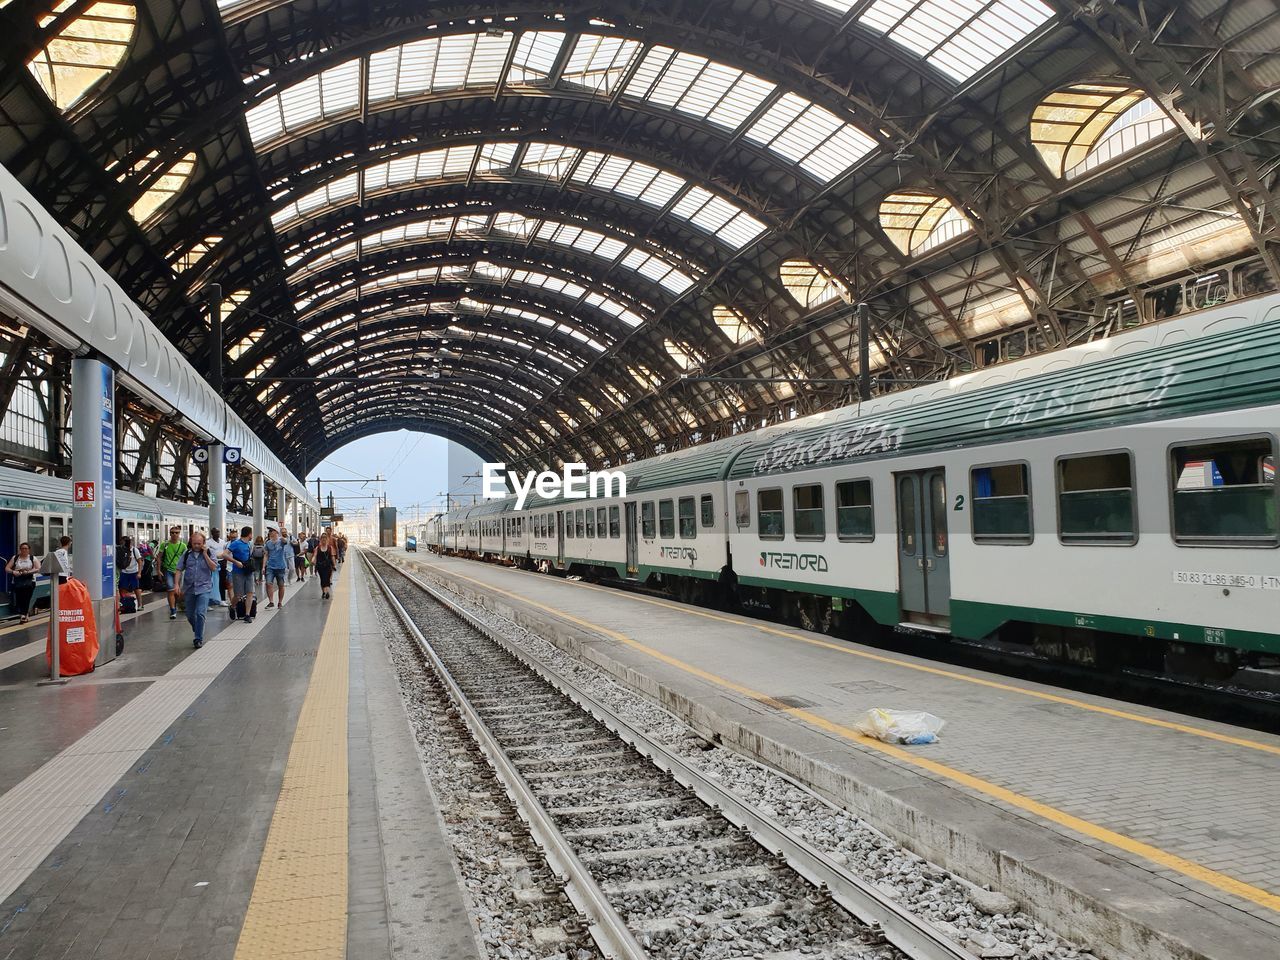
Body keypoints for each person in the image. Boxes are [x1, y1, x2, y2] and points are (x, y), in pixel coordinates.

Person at [174, 530, 218, 648]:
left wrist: (205, 554)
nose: (197, 546)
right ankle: (197, 627)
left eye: (199, 544)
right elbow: (179, 569)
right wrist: (176, 585)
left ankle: (198, 638)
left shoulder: (210, 552)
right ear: (191, 543)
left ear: (203, 543)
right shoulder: (187, 554)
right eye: (194, 544)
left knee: (200, 613)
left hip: (204, 587)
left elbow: (214, 568)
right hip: (189, 588)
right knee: (189, 615)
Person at [224, 526, 256, 623]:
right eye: (251, 533)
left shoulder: (249, 544)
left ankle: (247, 614)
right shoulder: (236, 543)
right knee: (238, 594)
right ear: (249, 534)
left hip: (248, 571)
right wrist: (235, 562)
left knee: (250, 592)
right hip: (238, 572)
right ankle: (232, 606)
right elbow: (225, 554)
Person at [158, 527, 187, 620]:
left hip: (179, 571)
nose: (174, 534)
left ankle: (178, 604)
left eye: (177, 533)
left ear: (179, 534)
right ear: (170, 534)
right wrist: (158, 570)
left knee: (177, 591)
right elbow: (159, 557)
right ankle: (173, 610)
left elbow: (186, 559)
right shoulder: (164, 545)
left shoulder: (183, 546)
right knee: (170, 590)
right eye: (172, 533)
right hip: (168, 570)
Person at [6, 542, 38, 623]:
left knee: (27, 598)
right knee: (19, 598)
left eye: (26, 548)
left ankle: (23, 615)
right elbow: (7, 568)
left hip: (30, 581)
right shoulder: (15, 558)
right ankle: (24, 615)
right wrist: (13, 572)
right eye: (22, 548)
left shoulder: (32, 558)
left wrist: (28, 572)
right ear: (20, 549)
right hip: (18, 581)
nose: (24, 550)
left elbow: (38, 568)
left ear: (29, 550)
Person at [263, 528, 293, 607]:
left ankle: (280, 602)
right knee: (268, 583)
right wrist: (263, 567)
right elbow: (266, 555)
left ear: (276, 532)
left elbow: (285, 541)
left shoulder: (281, 541)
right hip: (270, 566)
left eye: (272, 531)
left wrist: (280, 535)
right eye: (269, 532)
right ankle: (271, 601)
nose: (270, 533)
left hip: (280, 566)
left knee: (281, 585)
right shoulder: (268, 543)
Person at [116, 535, 143, 612]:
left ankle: (140, 604)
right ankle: (123, 604)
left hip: (134, 572)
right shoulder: (121, 551)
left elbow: (139, 561)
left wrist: (139, 573)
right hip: (124, 572)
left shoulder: (135, 550)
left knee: (136, 588)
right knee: (122, 588)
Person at [309, 531, 337, 601]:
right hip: (320, 566)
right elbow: (315, 555)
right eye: (322, 539)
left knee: (327, 579)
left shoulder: (330, 548)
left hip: (328, 566)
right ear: (321, 540)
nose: (324, 541)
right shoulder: (317, 548)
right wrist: (312, 560)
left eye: (325, 539)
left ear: (327, 540)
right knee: (322, 579)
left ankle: (326, 592)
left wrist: (334, 565)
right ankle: (324, 592)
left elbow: (333, 556)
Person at [206, 528, 227, 607]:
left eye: (218, 532)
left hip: (222, 562)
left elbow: (225, 551)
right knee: (212, 582)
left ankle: (222, 599)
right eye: (215, 532)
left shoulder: (222, 542)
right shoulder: (208, 543)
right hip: (212, 563)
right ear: (212, 533)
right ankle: (210, 600)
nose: (217, 534)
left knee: (222, 581)